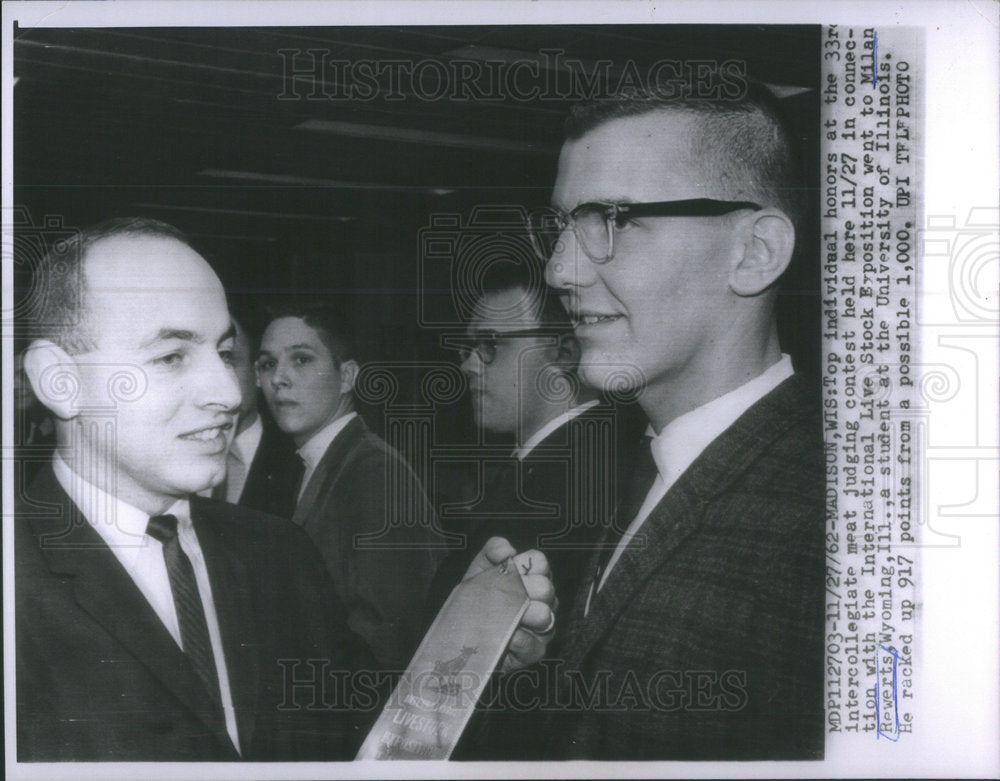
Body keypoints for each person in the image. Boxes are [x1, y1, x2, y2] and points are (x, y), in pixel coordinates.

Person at [16, 217, 554, 762]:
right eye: (172, 357)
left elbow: (372, 744)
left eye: (225, 353)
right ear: (60, 381)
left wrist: (470, 644)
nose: (229, 393)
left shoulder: (278, 554)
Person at [530, 86, 824, 759]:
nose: (559, 270)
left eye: (614, 219)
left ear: (755, 252)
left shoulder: (841, 526)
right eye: (562, 226)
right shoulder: (644, 465)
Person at [434, 262, 642, 624]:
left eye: (490, 344)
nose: (468, 365)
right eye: (468, 348)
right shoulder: (552, 467)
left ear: (564, 353)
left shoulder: (582, 484)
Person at [256, 303, 442, 672]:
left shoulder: (375, 472)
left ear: (347, 377)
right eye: (267, 364)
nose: (279, 378)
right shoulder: (314, 465)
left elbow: (391, 641)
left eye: (301, 359)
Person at [212, 309, 300, 520]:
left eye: (226, 357)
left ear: (258, 371)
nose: (212, 377)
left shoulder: (299, 462)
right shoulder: (169, 459)